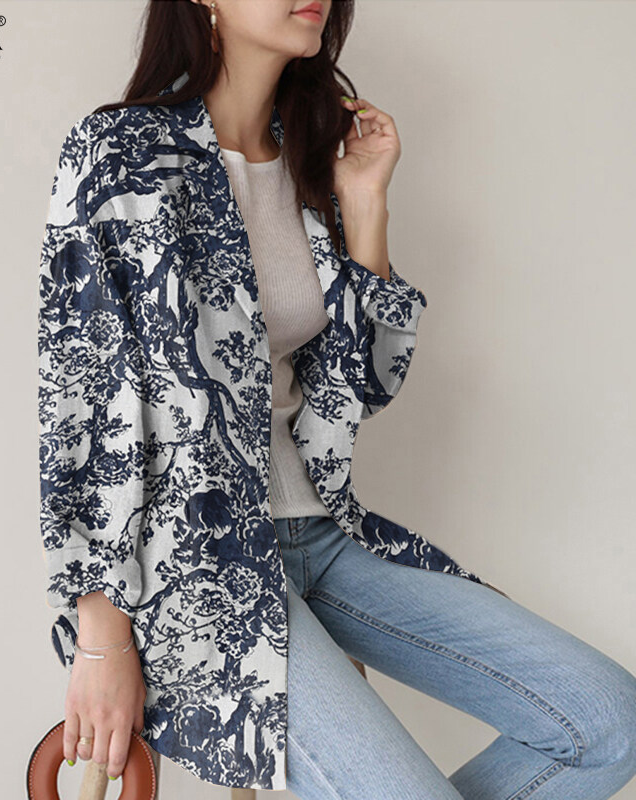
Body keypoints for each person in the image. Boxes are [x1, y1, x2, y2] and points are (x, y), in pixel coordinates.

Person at [38, 1, 636, 796]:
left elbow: (364, 387)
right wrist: (101, 639)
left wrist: (364, 207)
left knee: (608, 721)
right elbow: (83, 406)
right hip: (195, 574)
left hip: (324, 535)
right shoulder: (121, 153)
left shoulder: (310, 162)